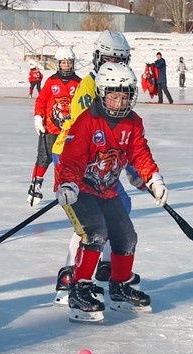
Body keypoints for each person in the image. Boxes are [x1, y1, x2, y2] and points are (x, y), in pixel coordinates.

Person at [55, 62, 167, 323]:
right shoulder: (87, 121)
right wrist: (68, 183)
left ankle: (119, 287)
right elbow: (71, 158)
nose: (119, 102)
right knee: (95, 232)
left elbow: (140, 154)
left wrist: (153, 178)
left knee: (126, 236)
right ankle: (79, 288)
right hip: (77, 188)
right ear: (102, 94)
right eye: (114, 96)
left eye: (125, 96)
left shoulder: (133, 123)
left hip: (106, 189)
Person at [51, 30, 144, 304]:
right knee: (89, 221)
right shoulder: (91, 85)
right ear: (96, 57)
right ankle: (71, 273)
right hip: (75, 156)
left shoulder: (118, 83)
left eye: (119, 59)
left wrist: (129, 165)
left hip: (101, 158)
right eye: (107, 58)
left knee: (120, 209)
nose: (112, 63)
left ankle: (103, 264)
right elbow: (85, 132)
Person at [28, 46, 80, 206]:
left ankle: (63, 187)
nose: (66, 66)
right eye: (63, 63)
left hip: (69, 132)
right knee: (44, 158)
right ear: (58, 64)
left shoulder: (79, 83)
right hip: (51, 128)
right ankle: (35, 185)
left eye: (68, 63)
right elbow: (41, 101)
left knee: (67, 161)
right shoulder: (51, 81)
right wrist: (38, 117)